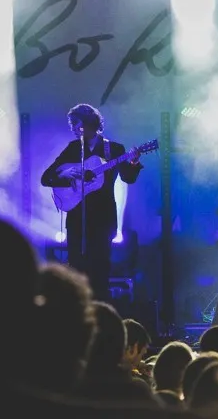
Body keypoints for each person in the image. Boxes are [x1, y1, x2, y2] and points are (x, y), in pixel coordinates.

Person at [40, 103, 144, 299]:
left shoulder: (113, 149)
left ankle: (100, 315)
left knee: (99, 271)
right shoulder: (72, 149)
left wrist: (134, 161)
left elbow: (128, 178)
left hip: (103, 220)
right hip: (77, 219)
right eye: (71, 124)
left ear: (88, 124)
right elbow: (46, 178)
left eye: (75, 123)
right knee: (76, 271)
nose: (72, 127)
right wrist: (66, 173)